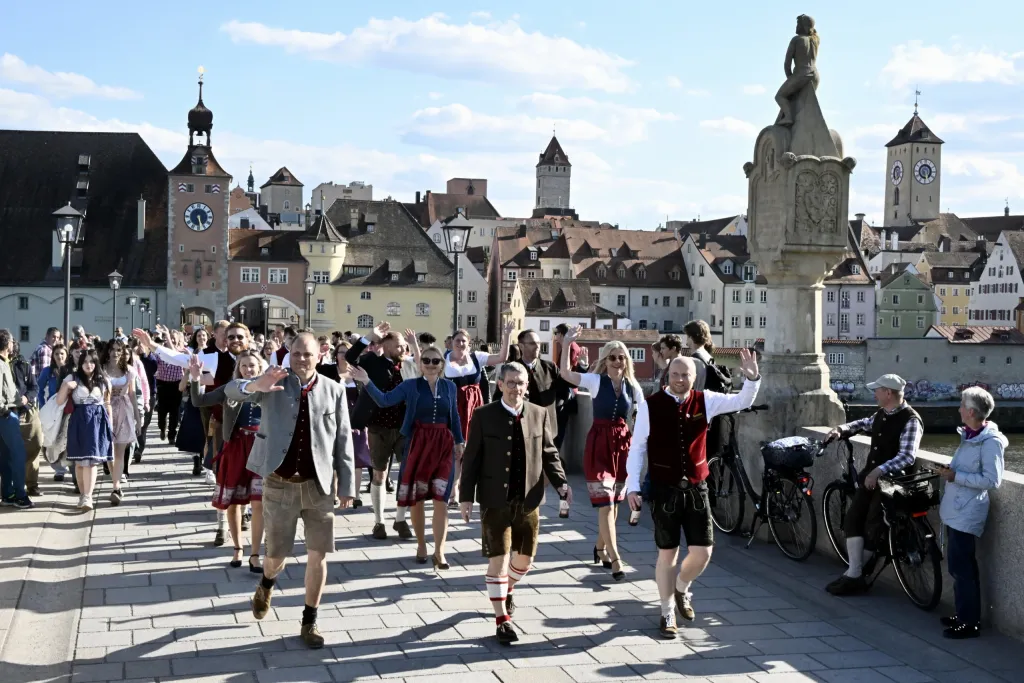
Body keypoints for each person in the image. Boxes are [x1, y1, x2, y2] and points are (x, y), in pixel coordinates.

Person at [225, 332, 355, 649]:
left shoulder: (334, 390)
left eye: (307, 355)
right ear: (289, 354)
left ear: (319, 356)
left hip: (319, 486)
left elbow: (343, 440)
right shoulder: (273, 383)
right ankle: (267, 582)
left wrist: (348, 484)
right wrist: (256, 385)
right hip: (280, 484)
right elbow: (230, 391)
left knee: (318, 555)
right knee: (276, 556)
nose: (300, 359)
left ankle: (309, 621)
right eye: (295, 353)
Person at [625, 352, 761, 638]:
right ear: (668, 376)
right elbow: (637, 447)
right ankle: (666, 613)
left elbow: (741, 402)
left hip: (698, 487)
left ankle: (682, 588)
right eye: (674, 374)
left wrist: (750, 378)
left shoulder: (706, 400)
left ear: (693, 378)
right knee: (667, 554)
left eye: (684, 375)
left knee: (703, 552)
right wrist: (633, 486)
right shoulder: (650, 406)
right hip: (665, 489)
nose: (679, 380)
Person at [460, 361, 571, 645]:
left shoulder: (538, 413)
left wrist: (561, 483)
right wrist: (465, 497)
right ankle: (502, 621)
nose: (516, 389)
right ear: (500, 385)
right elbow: (471, 458)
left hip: (529, 499)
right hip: (494, 499)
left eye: (520, 383)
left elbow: (549, 452)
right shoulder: (484, 415)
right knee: (498, 559)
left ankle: (507, 589)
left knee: (525, 560)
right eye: (510, 383)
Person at [350, 344, 464, 567]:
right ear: (420, 364)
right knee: (418, 498)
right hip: (417, 444)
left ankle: (440, 551)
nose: (431, 365)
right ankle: (422, 545)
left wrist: (459, 441)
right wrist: (367, 382)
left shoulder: (450, 387)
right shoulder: (410, 385)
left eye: (435, 361)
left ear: (442, 365)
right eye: (427, 361)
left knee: (441, 499)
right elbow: (384, 400)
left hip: (443, 444)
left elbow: (455, 416)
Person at [824, 374, 923, 597]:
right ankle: (854, 572)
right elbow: (864, 424)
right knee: (852, 519)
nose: (874, 394)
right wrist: (841, 429)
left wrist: (880, 470)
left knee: (873, 525)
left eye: (877, 391)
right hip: (871, 478)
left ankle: (855, 576)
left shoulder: (911, 420)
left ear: (888, 393)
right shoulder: (882, 413)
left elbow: (907, 456)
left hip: (893, 483)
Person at [559, 325, 644, 581]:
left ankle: (599, 547)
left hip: (621, 444)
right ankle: (616, 558)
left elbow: (643, 412)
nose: (617, 361)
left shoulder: (632, 386)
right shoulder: (596, 381)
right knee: (606, 501)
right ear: (605, 360)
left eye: (621, 357)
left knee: (615, 503)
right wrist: (566, 345)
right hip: (598, 443)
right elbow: (565, 373)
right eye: (612, 357)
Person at [937, 387, 1005, 640]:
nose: (958, 409)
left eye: (962, 405)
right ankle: (963, 613)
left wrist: (956, 476)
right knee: (957, 566)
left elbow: (992, 480)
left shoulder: (990, 442)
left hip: (968, 511)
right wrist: (951, 470)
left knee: (963, 567)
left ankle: (969, 623)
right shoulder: (970, 435)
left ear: (972, 411)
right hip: (957, 508)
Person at [190, 350, 267, 572]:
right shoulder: (231, 388)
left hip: (260, 447)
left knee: (258, 501)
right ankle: (237, 547)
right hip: (235, 446)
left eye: (252, 365)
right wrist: (195, 378)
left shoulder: (268, 388)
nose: (248, 369)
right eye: (244, 366)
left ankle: (255, 553)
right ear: (238, 368)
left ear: (260, 367)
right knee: (233, 502)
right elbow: (198, 401)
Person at [345, 322, 413, 541]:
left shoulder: (407, 366)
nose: (402, 350)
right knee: (379, 474)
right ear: (386, 345)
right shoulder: (372, 361)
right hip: (378, 426)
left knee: (406, 474)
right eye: (399, 346)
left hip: (404, 427)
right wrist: (368, 337)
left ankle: (400, 520)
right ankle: (379, 522)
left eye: (404, 346)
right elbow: (350, 357)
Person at [444, 321, 513, 504]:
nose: (460, 344)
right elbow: (422, 366)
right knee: (456, 450)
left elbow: (501, 357)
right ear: (452, 342)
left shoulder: (477, 357)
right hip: (453, 408)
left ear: (469, 343)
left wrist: (506, 335)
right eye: (457, 341)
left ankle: (466, 488)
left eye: (463, 341)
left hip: (474, 408)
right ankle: (453, 491)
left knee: (472, 449)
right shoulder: (444, 359)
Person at [58, 348, 114, 511]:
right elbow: (59, 401)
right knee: (80, 462)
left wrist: (110, 423)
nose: (88, 365)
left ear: (96, 363)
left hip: (97, 422)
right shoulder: (72, 378)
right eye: (85, 361)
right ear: (80, 363)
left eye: (91, 361)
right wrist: (67, 386)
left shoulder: (103, 380)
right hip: (78, 420)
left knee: (91, 461)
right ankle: (83, 495)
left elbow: (107, 403)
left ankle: (88, 496)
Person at [101, 338, 140, 506]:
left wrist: (138, 417)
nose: (115, 353)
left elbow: (132, 394)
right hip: (106, 409)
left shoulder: (129, 371)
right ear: (108, 351)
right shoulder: (102, 369)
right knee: (108, 451)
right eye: (113, 349)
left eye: (119, 349)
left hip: (123, 409)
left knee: (119, 451)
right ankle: (114, 481)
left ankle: (116, 488)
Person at [513, 329, 573, 436]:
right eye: (532, 343)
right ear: (521, 346)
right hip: (520, 429)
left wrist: (583, 366)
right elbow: (499, 399)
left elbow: (569, 383)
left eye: (538, 343)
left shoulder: (550, 367)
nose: (537, 347)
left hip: (547, 429)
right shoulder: (512, 369)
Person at [0, 330, 33, 508]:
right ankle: (20, 495)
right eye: (12, 341)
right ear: (7, 344)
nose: (14, 344)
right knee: (18, 455)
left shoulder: (4, 362)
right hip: (5, 415)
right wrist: (5, 411)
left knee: (5, 457)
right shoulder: (0, 364)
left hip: (8, 412)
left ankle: (7, 494)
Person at [10, 343, 43, 497]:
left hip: (27, 411)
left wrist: (26, 398)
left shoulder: (23, 364)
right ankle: (11, 487)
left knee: (35, 444)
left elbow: (34, 387)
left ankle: (32, 485)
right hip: (7, 413)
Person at [551, 323, 589, 448]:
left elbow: (569, 373)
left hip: (565, 395)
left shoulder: (571, 348)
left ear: (561, 334)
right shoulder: (571, 346)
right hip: (565, 393)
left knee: (557, 432)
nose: (555, 336)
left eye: (556, 333)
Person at [37, 344, 70, 481]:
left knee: (66, 439)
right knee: (50, 440)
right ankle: (58, 469)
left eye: (62, 353)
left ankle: (67, 465)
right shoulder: (48, 371)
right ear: (53, 356)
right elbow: (39, 390)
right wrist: (43, 407)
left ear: (66, 355)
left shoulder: (71, 370)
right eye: (56, 354)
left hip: (67, 410)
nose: (59, 356)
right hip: (51, 410)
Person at [152, 332, 186, 444]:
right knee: (161, 411)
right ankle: (162, 428)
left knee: (174, 412)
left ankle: (172, 435)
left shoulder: (180, 353)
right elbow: (154, 363)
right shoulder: (160, 353)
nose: (171, 340)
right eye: (169, 338)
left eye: (173, 338)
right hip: (162, 384)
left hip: (176, 385)